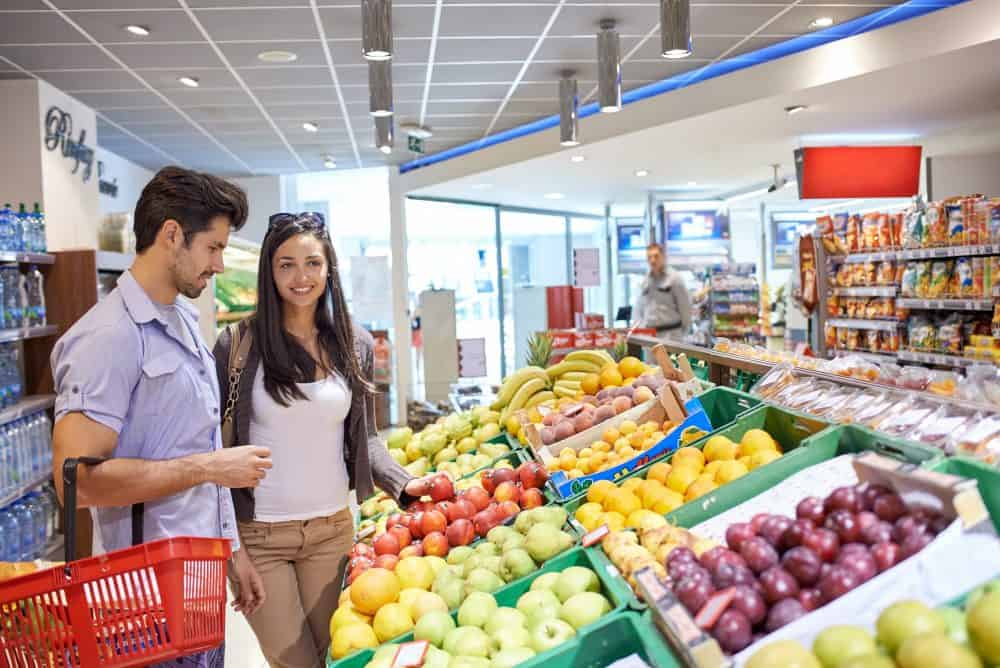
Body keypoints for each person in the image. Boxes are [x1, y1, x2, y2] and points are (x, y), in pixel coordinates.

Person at [50, 166, 271, 668]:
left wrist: (232, 554)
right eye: (213, 247)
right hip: (141, 607)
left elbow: (193, 445)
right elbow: (74, 483)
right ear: (173, 234)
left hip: (197, 587)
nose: (218, 264)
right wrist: (210, 468)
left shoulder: (182, 321)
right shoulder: (108, 338)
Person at [213, 212, 426, 668]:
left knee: (340, 658)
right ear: (269, 271)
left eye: (312, 263)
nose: (301, 276)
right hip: (261, 538)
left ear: (329, 268)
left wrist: (404, 485)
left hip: (332, 533)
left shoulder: (354, 345)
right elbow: (214, 457)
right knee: (296, 664)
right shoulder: (237, 347)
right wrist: (233, 551)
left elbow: (366, 440)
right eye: (286, 264)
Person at [633, 242, 692, 339]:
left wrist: (683, 332)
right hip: (650, 336)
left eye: (656, 256)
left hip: (671, 335)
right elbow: (639, 308)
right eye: (649, 257)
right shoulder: (645, 281)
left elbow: (685, 307)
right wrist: (640, 329)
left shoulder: (674, 278)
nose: (652, 260)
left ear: (663, 257)